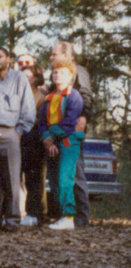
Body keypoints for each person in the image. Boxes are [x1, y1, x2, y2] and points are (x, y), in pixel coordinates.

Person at [0, 47, 37, 232]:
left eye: (0, 56)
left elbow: (28, 107)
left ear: (8, 58)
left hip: (11, 131)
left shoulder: (19, 78)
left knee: (11, 177)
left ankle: (13, 218)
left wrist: (19, 131)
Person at [49, 41, 92, 227]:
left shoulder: (78, 71)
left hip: (72, 130)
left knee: (75, 173)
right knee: (58, 175)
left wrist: (84, 116)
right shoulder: (54, 74)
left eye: (54, 54)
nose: (51, 57)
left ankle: (82, 217)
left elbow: (86, 95)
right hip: (55, 130)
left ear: (67, 56)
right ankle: (64, 215)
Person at [39, 60, 84, 231]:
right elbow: (42, 123)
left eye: (62, 72)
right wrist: (47, 139)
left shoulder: (74, 96)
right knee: (55, 180)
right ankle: (60, 216)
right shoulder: (48, 98)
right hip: (52, 143)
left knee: (65, 178)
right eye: (55, 72)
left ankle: (68, 216)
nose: (58, 75)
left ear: (71, 76)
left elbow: (69, 123)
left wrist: (51, 136)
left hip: (68, 142)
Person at [20, 65, 48, 226]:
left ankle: (34, 213)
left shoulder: (41, 97)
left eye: (28, 76)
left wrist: (26, 121)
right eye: (22, 76)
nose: (25, 79)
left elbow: (42, 119)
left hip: (34, 139)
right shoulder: (18, 94)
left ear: (36, 78)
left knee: (34, 178)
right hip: (18, 138)